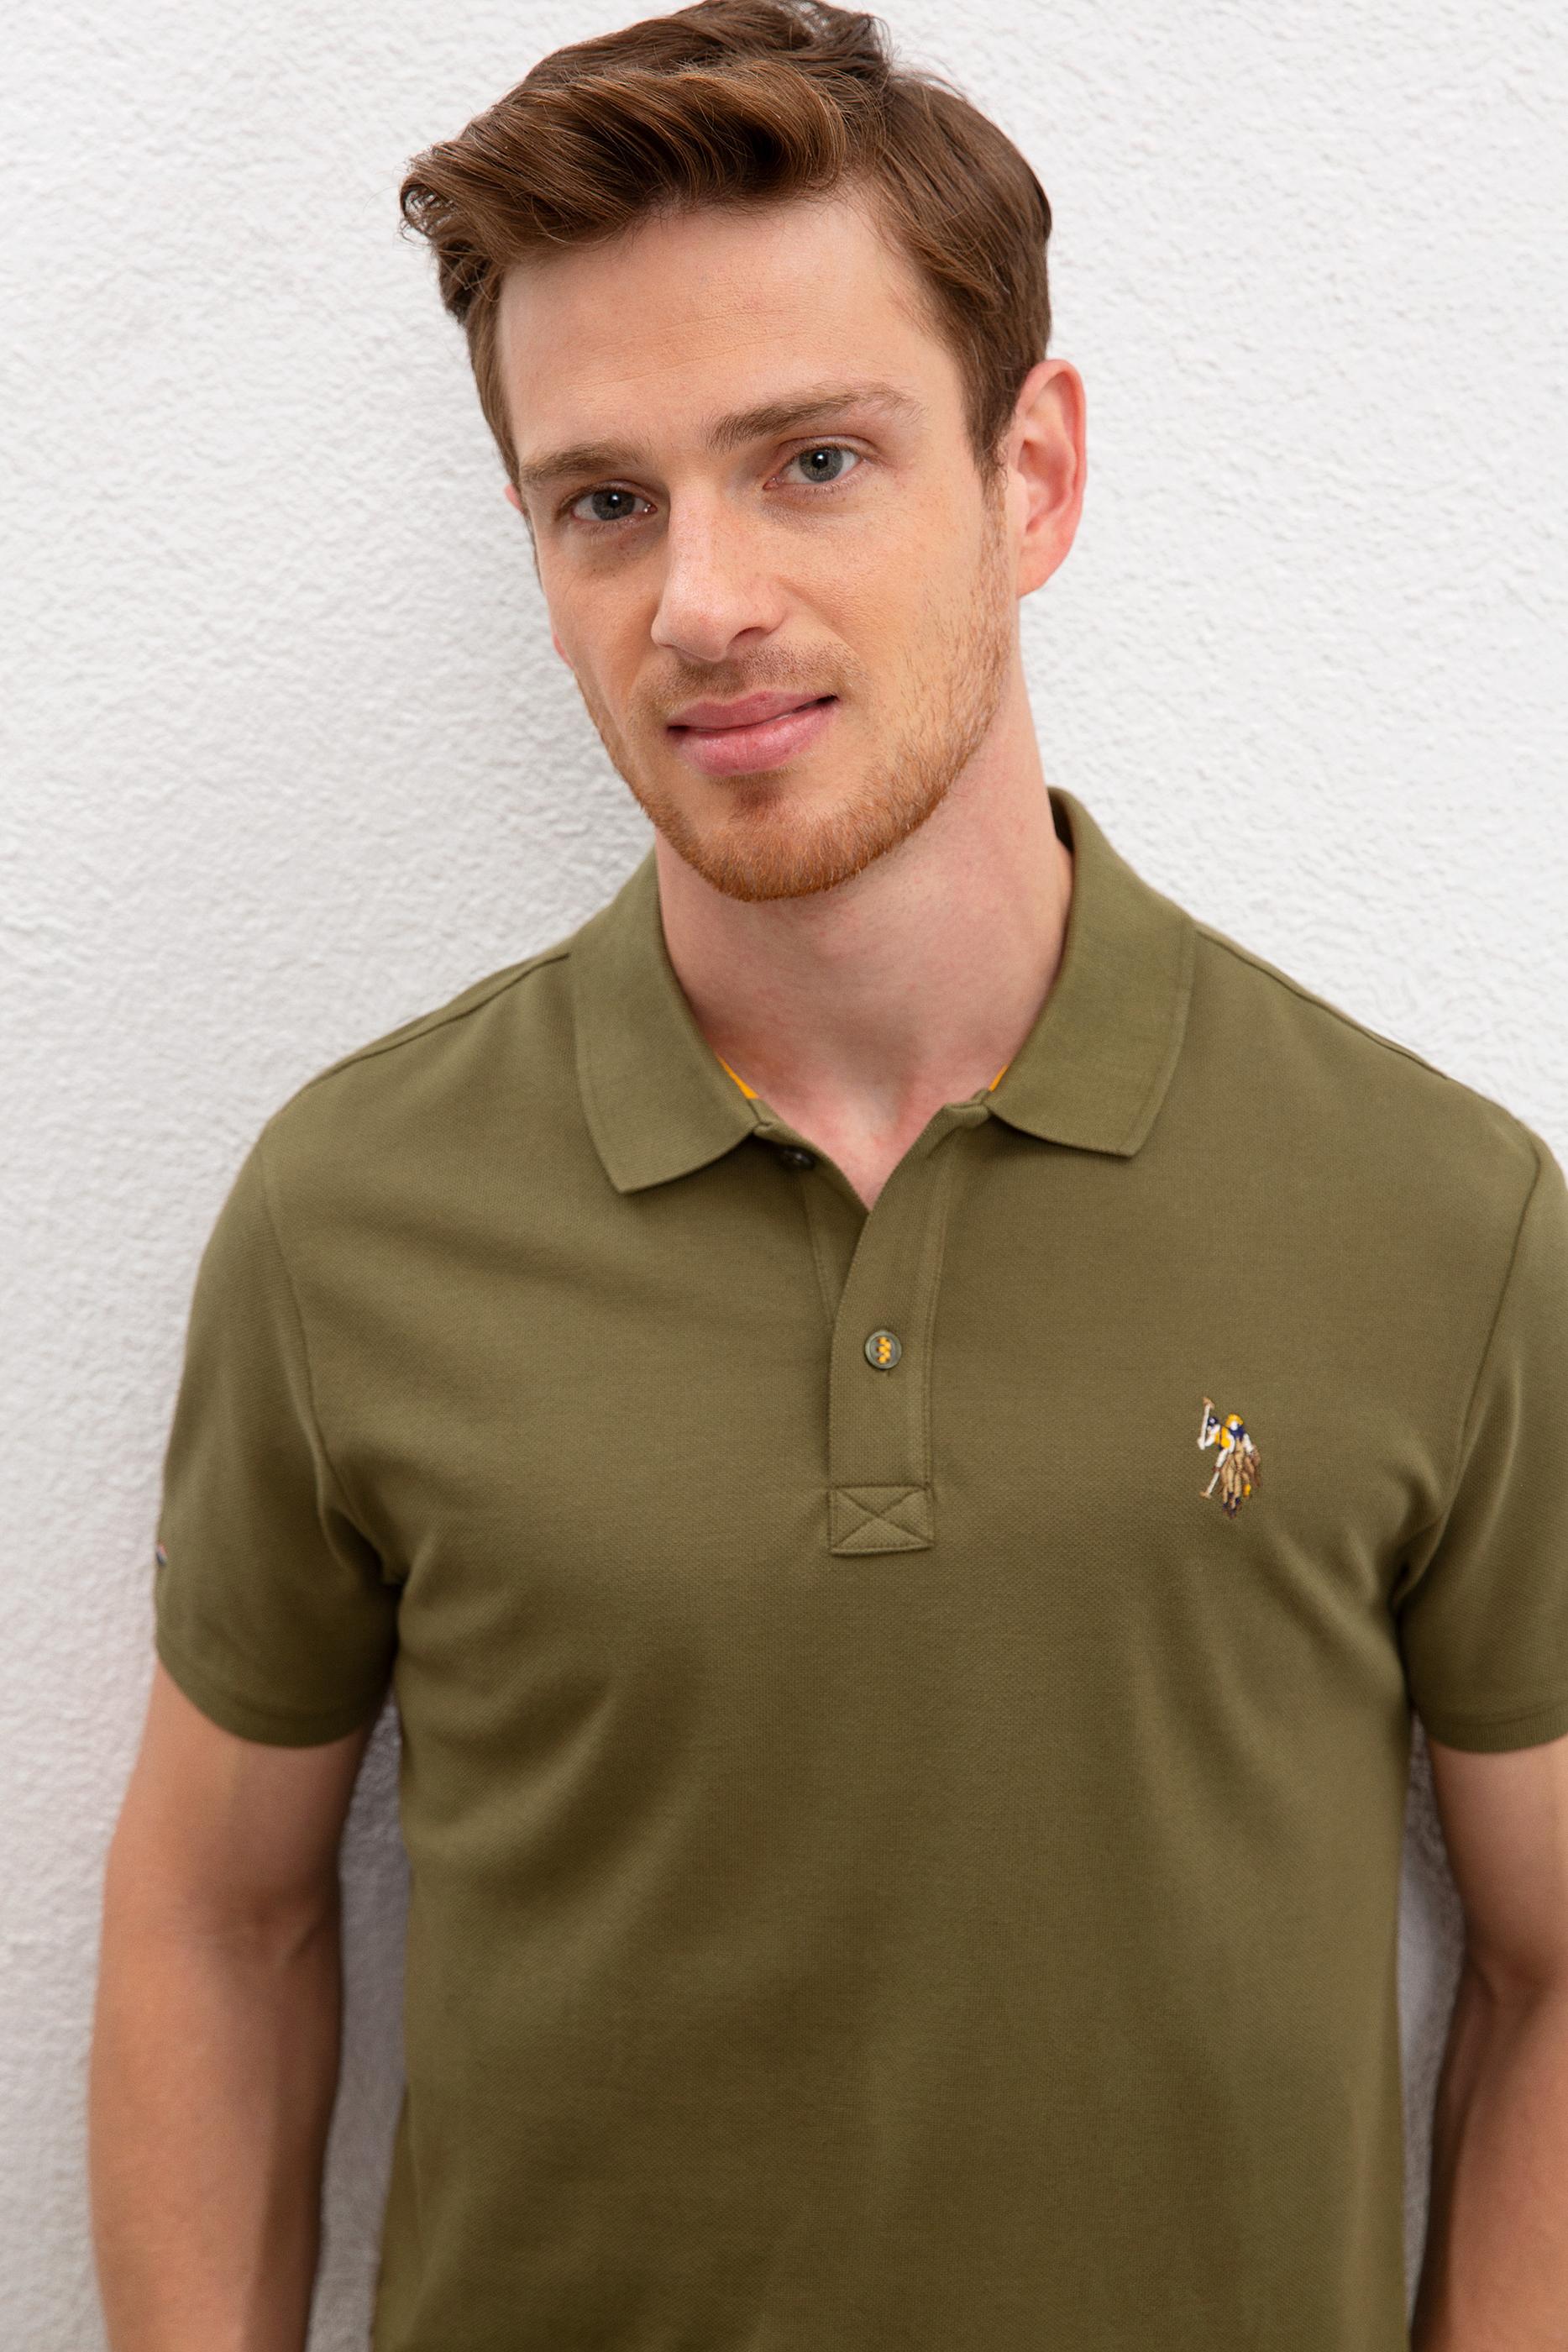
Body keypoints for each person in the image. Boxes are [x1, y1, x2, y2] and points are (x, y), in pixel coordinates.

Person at [89, 3, 1568, 2347]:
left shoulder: (1435, 1217)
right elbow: (218, 1918)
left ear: (1030, 477)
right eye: (604, 501)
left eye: (811, 460)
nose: (701, 601)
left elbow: (1554, 1954)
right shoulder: (349, 1217)